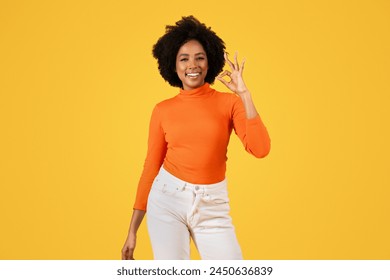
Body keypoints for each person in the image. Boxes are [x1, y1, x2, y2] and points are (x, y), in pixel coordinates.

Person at [121, 15, 270, 260]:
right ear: (173, 65)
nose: (193, 65)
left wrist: (244, 93)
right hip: (167, 200)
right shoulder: (162, 110)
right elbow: (151, 167)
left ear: (209, 62)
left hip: (213, 205)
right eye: (184, 59)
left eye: (200, 57)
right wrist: (132, 230)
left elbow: (260, 148)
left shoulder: (229, 102)